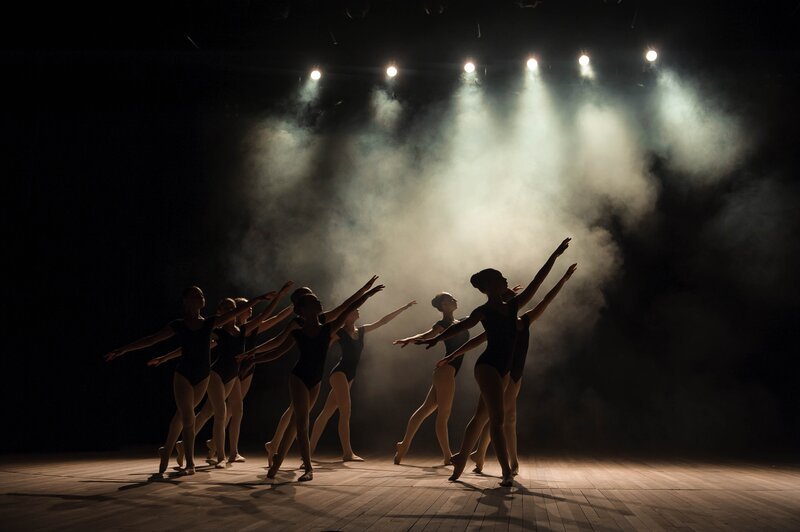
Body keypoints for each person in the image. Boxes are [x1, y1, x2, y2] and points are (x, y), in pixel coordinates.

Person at [417, 238, 571, 486]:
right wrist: (437, 339)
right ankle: (506, 471)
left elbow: (538, 283)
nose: (505, 279)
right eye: (500, 277)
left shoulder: (513, 307)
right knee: (497, 420)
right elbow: (462, 328)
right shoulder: (483, 311)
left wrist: (555, 255)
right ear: (490, 286)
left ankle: (460, 460)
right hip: (487, 366)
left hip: (504, 370)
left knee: (480, 416)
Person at [104, 286, 272, 475]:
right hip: (183, 374)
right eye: (195, 295)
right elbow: (152, 339)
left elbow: (236, 312)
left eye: (201, 295)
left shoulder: (210, 323)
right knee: (188, 416)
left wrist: (258, 299)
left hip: (203, 376)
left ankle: (167, 449)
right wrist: (123, 350)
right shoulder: (179, 324)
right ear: (185, 301)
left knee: (184, 415)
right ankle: (190, 462)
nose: (200, 297)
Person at [243, 283, 384, 481]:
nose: (318, 301)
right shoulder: (298, 331)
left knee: (295, 423)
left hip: (315, 380)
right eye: (313, 301)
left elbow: (346, 308)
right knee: (302, 422)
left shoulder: (328, 328)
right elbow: (277, 350)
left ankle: (276, 463)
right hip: (299, 377)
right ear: (302, 310)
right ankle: (308, 468)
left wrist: (367, 294)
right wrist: (253, 358)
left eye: (317, 299)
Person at [309, 300, 416, 461]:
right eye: (354, 310)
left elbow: (383, 321)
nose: (358, 310)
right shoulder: (339, 333)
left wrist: (404, 307)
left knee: (327, 412)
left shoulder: (362, 330)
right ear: (346, 316)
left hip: (350, 376)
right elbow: (323, 347)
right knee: (345, 411)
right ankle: (347, 453)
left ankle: (309, 451)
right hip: (339, 374)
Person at [391, 293, 471, 465]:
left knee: (425, 409)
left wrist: (506, 298)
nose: (455, 300)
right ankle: (448, 456)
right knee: (443, 415)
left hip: (445, 372)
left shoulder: (462, 321)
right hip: (446, 371)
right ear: (443, 306)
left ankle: (403, 445)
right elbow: (427, 335)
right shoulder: (443, 324)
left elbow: (485, 313)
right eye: (450, 299)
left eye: (453, 298)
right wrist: (409, 339)